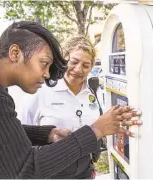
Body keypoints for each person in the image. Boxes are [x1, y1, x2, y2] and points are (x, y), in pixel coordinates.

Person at [0, 21, 142, 179]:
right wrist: (96, 129)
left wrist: (46, 134)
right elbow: (26, 170)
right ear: (15, 53)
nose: (47, 74)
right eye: (44, 63)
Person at [20, 35, 105, 179]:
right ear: (64, 59)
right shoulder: (41, 90)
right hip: (52, 172)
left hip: (84, 171)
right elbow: (23, 134)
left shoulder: (92, 92)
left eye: (85, 65)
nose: (78, 69)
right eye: (74, 62)